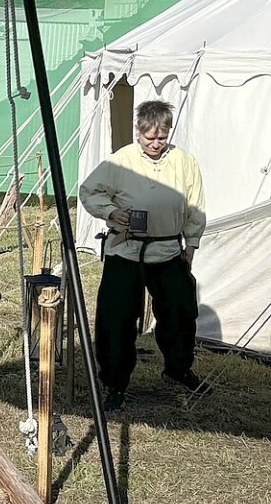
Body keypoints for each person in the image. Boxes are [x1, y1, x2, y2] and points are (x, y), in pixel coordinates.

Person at [79, 100, 208, 412]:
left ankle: (178, 369)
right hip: (125, 250)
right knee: (117, 317)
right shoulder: (120, 161)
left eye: (161, 138)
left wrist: (190, 245)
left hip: (167, 249)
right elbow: (89, 191)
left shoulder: (183, 161)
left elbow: (195, 205)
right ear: (138, 132)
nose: (155, 144)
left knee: (180, 313)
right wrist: (111, 212)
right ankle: (113, 382)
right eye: (150, 137)